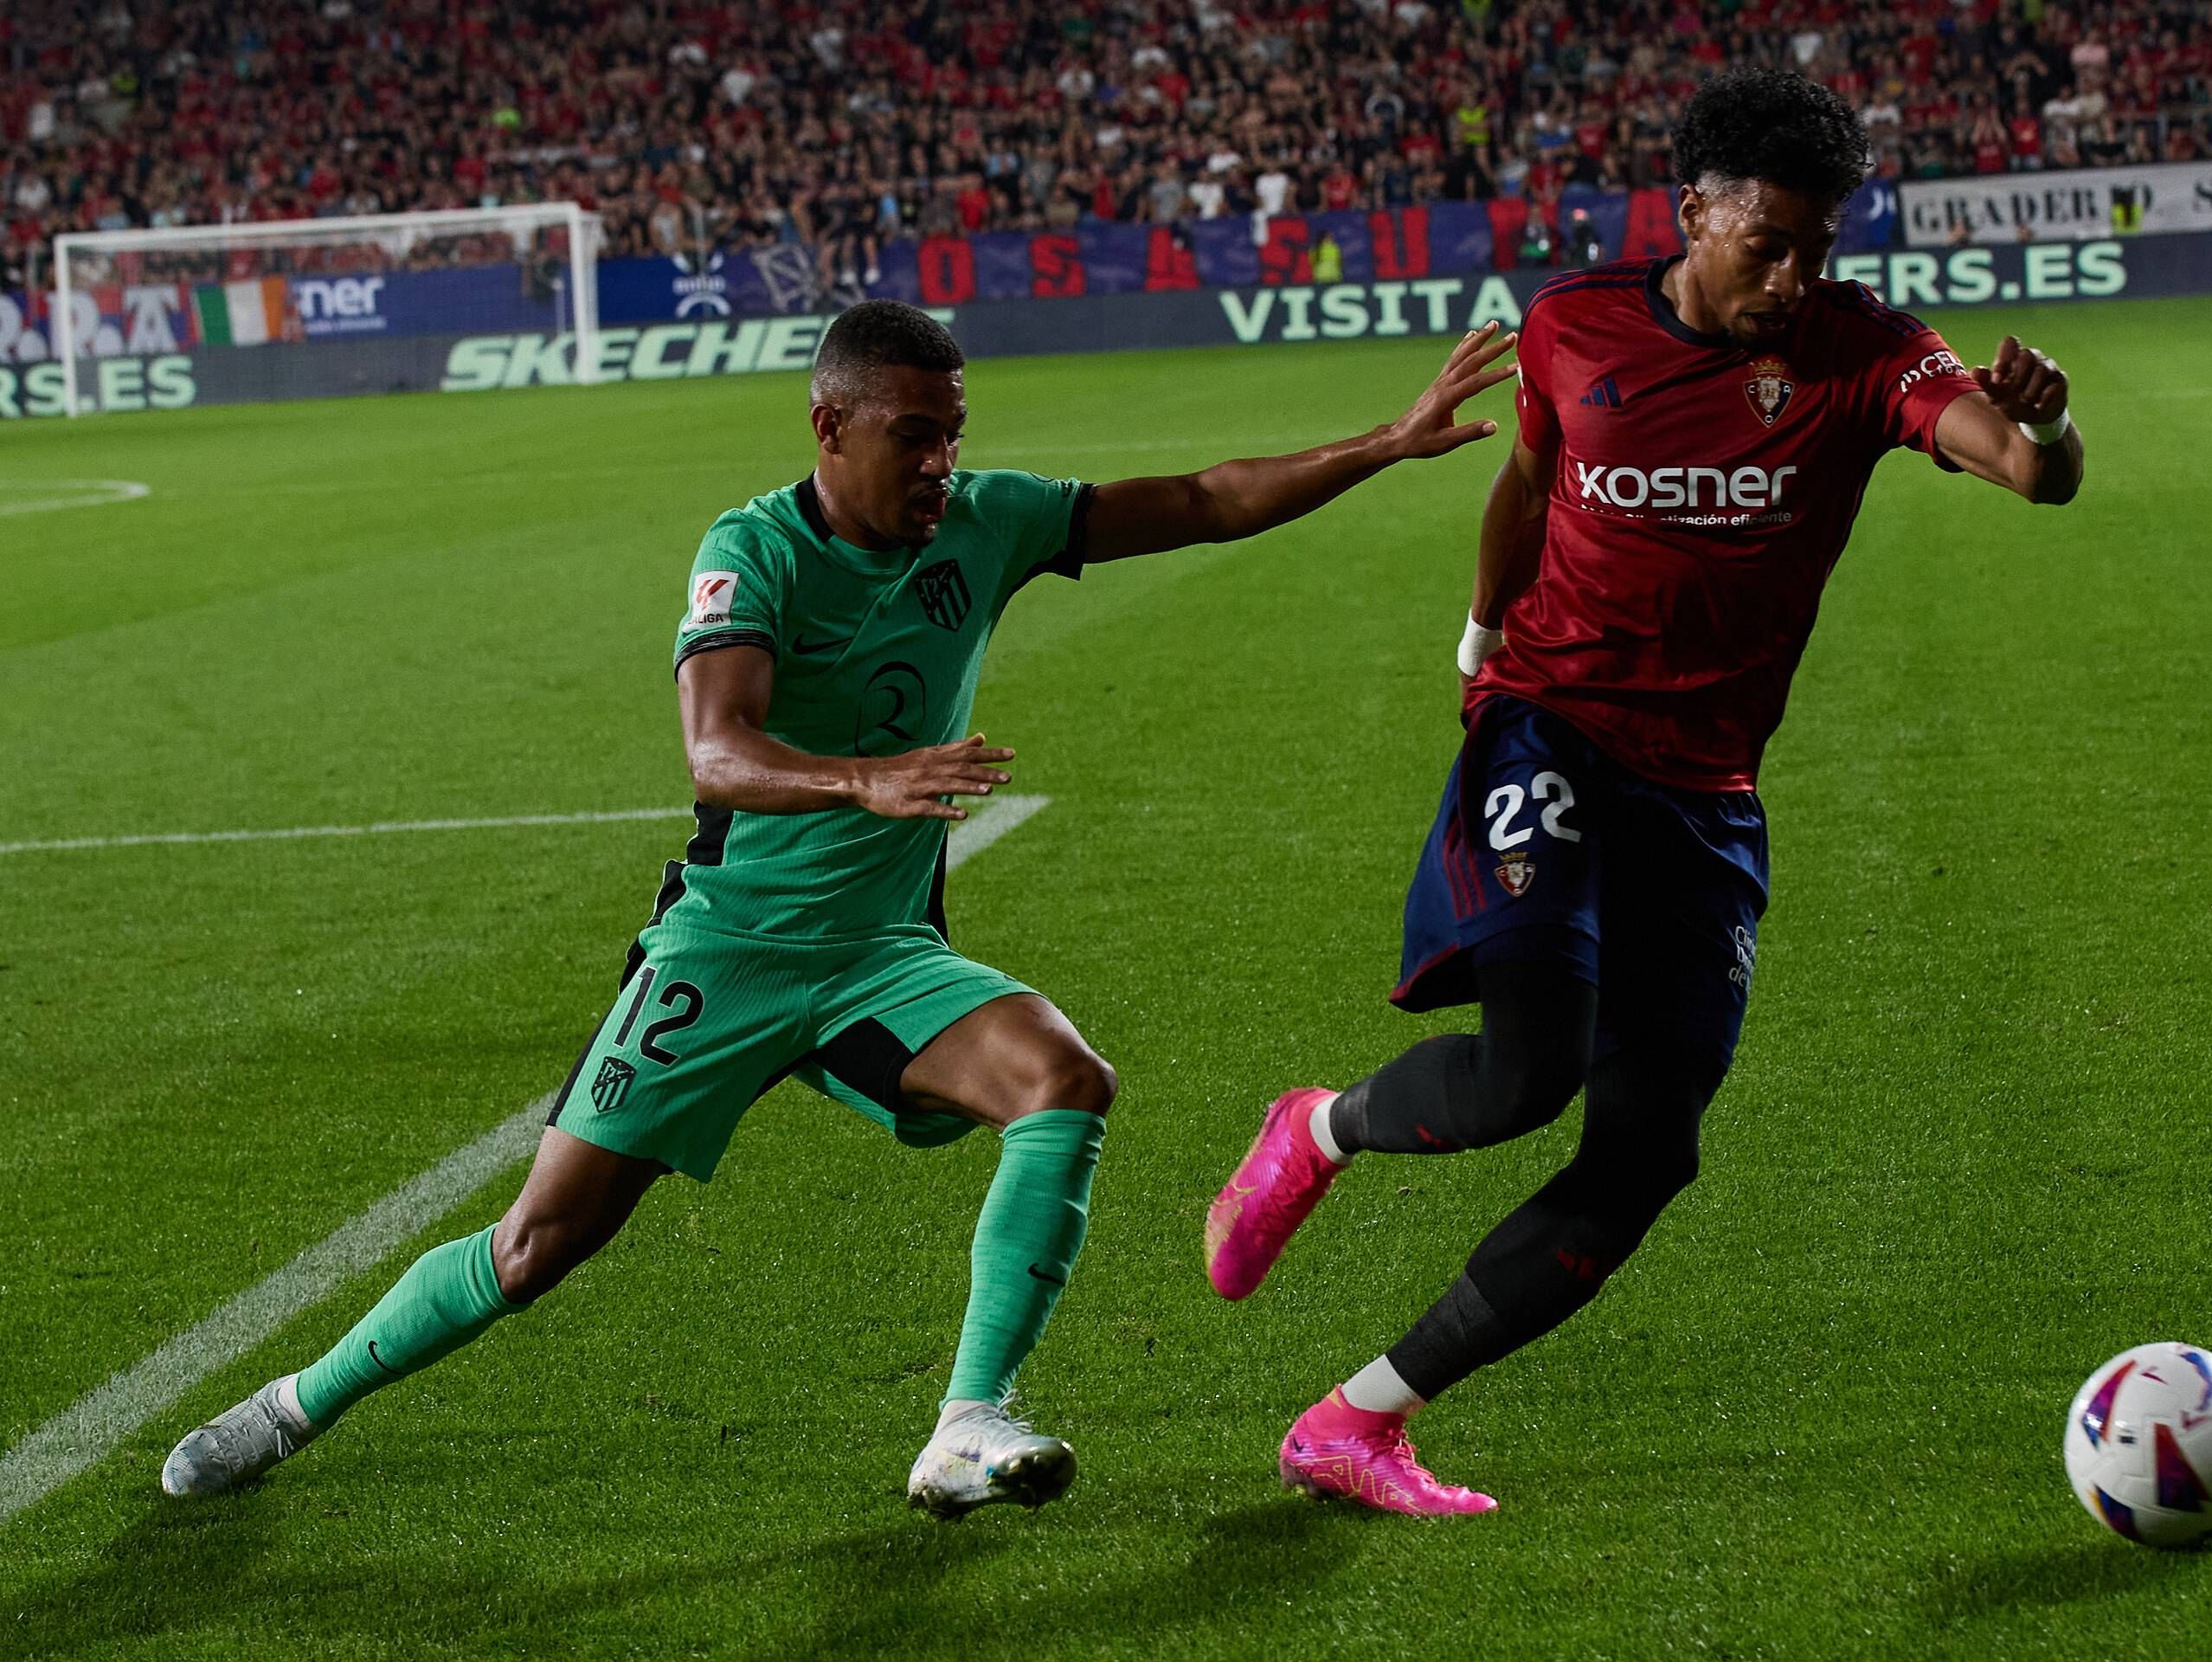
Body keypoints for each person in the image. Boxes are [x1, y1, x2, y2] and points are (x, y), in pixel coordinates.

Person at [161, 300, 1521, 1521]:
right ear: (830, 425)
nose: (941, 463)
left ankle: (966, 1423)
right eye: (914, 436)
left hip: (879, 957)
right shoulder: (753, 549)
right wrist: (866, 778)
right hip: (729, 951)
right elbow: (718, 750)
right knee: (536, 1248)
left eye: (954, 435)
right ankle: (292, 1405)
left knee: (1063, 1082)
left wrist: (1381, 445)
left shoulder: (986, 521)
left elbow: (1207, 498)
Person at [1204, 68, 2084, 1515]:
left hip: (1708, 793)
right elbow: (1533, 482)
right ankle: (1317, 1129)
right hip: (1553, 729)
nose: (1797, 277)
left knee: (1647, 1155)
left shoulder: (1872, 355)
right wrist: (1484, 632)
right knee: (1526, 1073)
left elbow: (2030, 478)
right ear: (1695, 213)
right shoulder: (1574, 323)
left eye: (1820, 246)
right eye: (1767, 244)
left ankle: (1357, 1421)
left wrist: (2046, 425)